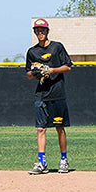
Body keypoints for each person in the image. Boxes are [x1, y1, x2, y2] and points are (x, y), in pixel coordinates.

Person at [25, 18, 74, 174]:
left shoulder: (57, 47)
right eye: (37, 30)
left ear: (47, 31)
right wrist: (36, 73)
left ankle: (64, 160)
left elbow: (68, 67)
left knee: (59, 128)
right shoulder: (32, 52)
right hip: (41, 94)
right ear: (35, 32)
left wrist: (51, 70)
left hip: (57, 93)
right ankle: (41, 163)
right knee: (41, 129)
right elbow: (28, 74)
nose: (40, 33)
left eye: (43, 30)